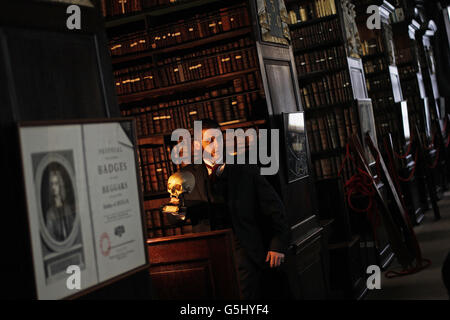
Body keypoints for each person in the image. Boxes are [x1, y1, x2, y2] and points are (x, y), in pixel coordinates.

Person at [178, 119, 290, 299]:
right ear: (197, 145)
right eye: (209, 141)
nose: (215, 146)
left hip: (244, 252)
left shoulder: (245, 169)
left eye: (218, 140)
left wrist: (278, 245)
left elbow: (276, 208)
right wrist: (179, 210)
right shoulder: (186, 176)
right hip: (207, 257)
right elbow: (173, 216)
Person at [45, 168, 75, 242]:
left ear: (60, 185)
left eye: (56, 183)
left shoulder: (67, 208)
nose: (53, 187)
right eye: (52, 184)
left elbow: (73, 230)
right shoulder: (50, 213)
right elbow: (51, 238)